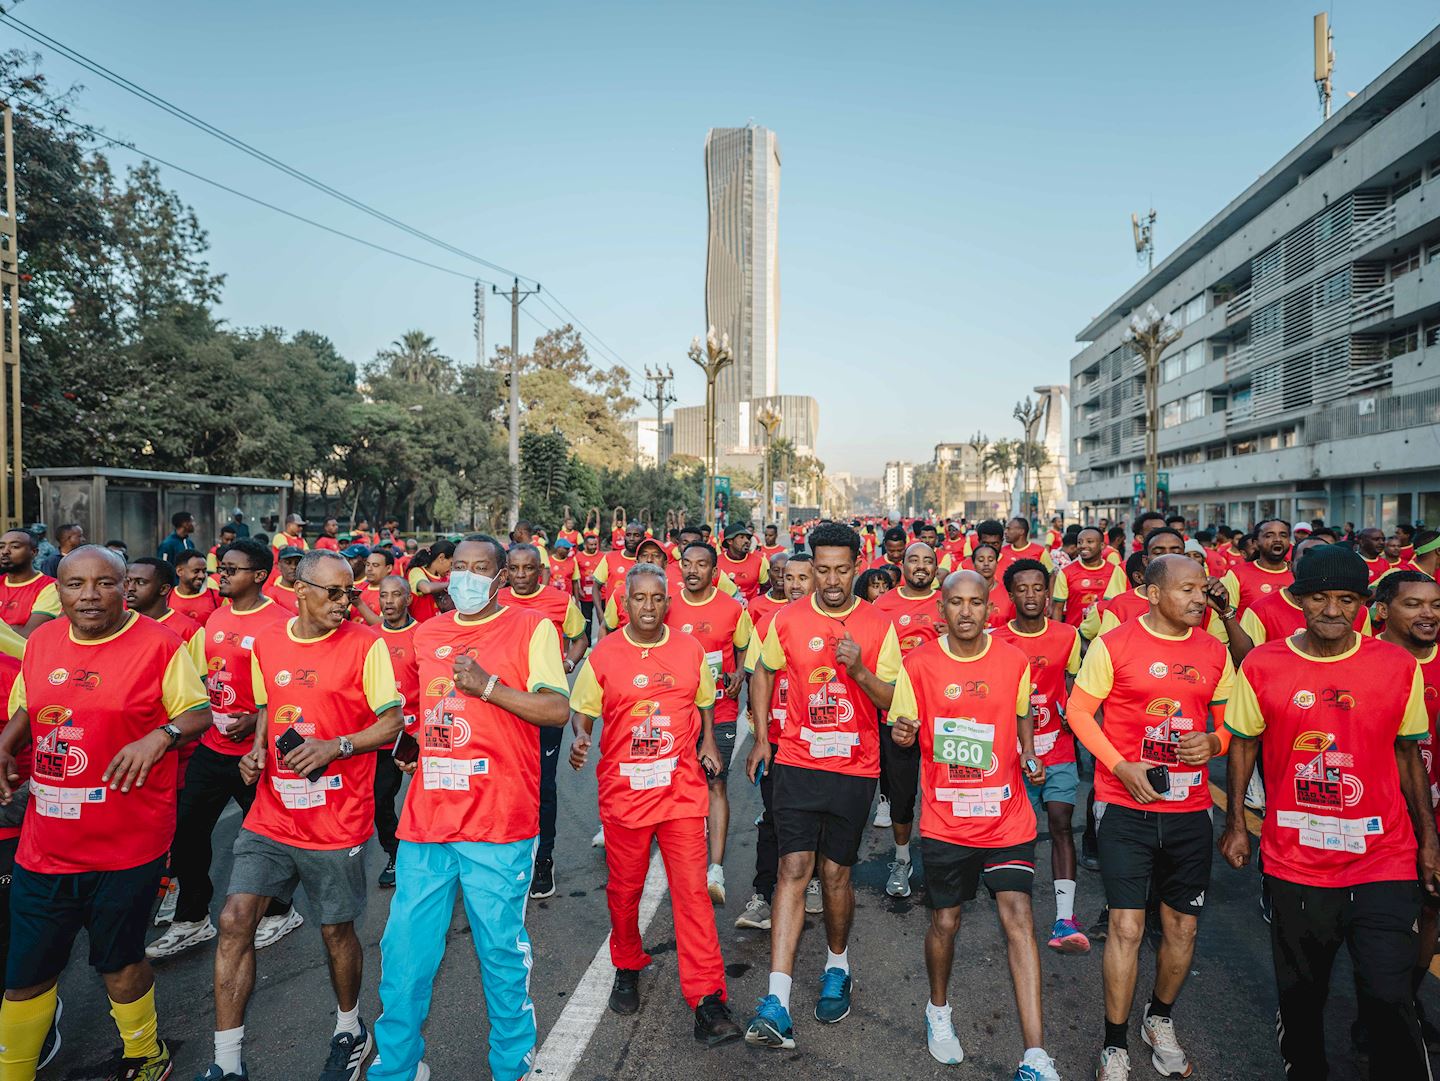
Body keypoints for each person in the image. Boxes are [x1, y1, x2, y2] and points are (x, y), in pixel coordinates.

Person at [1221, 546, 1439, 1079]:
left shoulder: (1395, 666)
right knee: (1304, 995)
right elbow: (1244, 743)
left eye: (1347, 599)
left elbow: (1408, 753)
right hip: (1296, 860)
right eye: (1320, 597)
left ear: (1366, 606)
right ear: (1298, 599)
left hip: (1383, 856)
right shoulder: (1263, 664)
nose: (1333, 610)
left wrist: (1429, 842)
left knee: (1389, 993)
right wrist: (1233, 826)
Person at [0, 546, 209, 1080]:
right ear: (59, 590)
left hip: (127, 843)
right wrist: (5, 743)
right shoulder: (42, 641)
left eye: (104, 583)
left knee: (118, 963)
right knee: (25, 974)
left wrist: (158, 737)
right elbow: (29, 702)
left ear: (126, 588)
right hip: (45, 845)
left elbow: (197, 711)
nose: (89, 595)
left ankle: (146, 1053)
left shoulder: (160, 644)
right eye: (75, 585)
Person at [369, 537, 570, 1081]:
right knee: (404, 955)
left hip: (498, 820)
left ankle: (511, 1065)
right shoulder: (427, 633)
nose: (467, 577)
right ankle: (397, 1067)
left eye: (481, 569)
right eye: (458, 568)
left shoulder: (532, 629)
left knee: (500, 952)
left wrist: (489, 687)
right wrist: (408, 747)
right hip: (428, 820)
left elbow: (555, 708)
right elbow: (415, 707)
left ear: (501, 577)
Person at [201, 549, 402, 1081]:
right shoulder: (268, 641)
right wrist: (256, 751)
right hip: (272, 812)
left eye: (351, 593)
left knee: (336, 932)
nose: (345, 603)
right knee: (234, 920)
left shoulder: (367, 644)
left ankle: (349, 1027)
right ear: (301, 590)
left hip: (337, 820)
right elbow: (269, 708)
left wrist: (334, 747)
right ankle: (225, 1061)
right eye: (334, 593)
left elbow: (392, 723)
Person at [1067, 555, 1234, 1080]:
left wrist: (1214, 741)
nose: (1198, 598)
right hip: (1124, 806)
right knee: (1126, 926)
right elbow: (1078, 712)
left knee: (1181, 927)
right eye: (1187, 589)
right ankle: (1113, 1044)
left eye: (1202, 589)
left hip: (1189, 812)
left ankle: (1157, 1018)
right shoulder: (1115, 644)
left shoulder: (1214, 651)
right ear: (1152, 593)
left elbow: (1230, 723)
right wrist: (1120, 766)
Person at [888, 571, 1060, 1079]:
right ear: (941, 609)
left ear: (991, 609)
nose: (966, 612)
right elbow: (903, 729)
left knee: (1019, 920)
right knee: (946, 922)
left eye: (976, 603)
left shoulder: (1012, 660)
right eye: (956, 603)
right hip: (946, 821)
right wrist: (902, 734)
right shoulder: (918, 665)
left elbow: (1022, 709)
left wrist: (1028, 752)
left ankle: (1035, 1055)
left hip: (1008, 818)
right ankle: (937, 1011)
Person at [568, 563, 742, 1046]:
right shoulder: (604, 653)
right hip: (625, 794)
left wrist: (708, 738)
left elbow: (704, 698)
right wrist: (581, 738)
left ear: (668, 602)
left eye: (656, 598)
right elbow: (582, 711)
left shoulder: (688, 648)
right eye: (638, 598)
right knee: (626, 890)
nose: (648, 606)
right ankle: (627, 961)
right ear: (625, 603)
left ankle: (708, 998)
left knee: (692, 894)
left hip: (681, 791)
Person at [744, 522, 901, 1049]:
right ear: (810, 567)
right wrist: (763, 736)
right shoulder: (786, 618)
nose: (831, 580)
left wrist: (858, 670)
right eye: (822, 569)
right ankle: (776, 999)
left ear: (858, 565)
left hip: (855, 770)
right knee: (793, 868)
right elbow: (763, 671)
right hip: (797, 761)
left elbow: (891, 701)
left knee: (835, 875)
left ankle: (838, 964)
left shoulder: (879, 625)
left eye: (841, 569)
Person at [148, 540, 302, 962]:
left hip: (256, 753)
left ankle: (283, 910)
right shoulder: (215, 618)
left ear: (258, 575)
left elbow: (290, 692)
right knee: (189, 831)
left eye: (232, 569)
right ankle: (194, 918)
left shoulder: (281, 623)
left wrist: (255, 722)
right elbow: (199, 679)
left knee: (270, 836)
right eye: (222, 569)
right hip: (212, 749)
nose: (222, 575)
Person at [993, 559, 1087, 955]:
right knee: (1022, 832)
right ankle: (1020, 913)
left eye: (1038, 588)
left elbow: (1073, 683)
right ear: (1011, 595)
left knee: (1061, 821)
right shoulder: (995, 640)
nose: (1031, 595)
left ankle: (1065, 916)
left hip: (1058, 747)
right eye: (1022, 589)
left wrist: (1073, 711)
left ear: (1048, 594)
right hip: (1014, 753)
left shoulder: (1068, 635)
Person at [496, 544, 587, 900]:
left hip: (545, 708)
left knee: (542, 786)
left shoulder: (559, 602)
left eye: (528, 569)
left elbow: (578, 639)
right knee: (502, 782)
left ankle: (543, 860)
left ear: (540, 571)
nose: (520, 576)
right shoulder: (495, 598)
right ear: (505, 571)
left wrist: (567, 664)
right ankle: (505, 854)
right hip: (503, 706)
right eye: (514, 569)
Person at [665, 542, 753, 905]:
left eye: (701, 565)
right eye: (687, 563)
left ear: (714, 572)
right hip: (675, 712)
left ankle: (715, 868)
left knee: (715, 782)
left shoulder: (732, 609)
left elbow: (747, 646)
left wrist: (738, 672)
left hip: (720, 711)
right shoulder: (667, 605)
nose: (692, 570)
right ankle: (683, 860)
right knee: (677, 787)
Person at [1374, 569, 1440, 1045]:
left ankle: (1408, 1001)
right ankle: (1379, 1009)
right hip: (1379, 816)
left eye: (1435, 604)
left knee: (1433, 910)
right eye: (1414, 604)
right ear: (1382, 611)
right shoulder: (1363, 659)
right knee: (1384, 922)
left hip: (1435, 813)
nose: (1429, 614)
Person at [736, 553, 816, 932]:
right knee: (773, 817)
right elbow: (756, 679)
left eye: (804, 576)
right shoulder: (768, 622)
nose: (795, 583)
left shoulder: (835, 623)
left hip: (821, 744)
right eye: (789, 577)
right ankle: (762, 896)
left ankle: (813, 881)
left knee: (817, 819)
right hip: (778, 742)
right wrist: (761, 735)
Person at [872, 542, 944, 895]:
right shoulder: (883, 605)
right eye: (914, 559)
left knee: (942, 791)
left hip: (943, 716)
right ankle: (901, 860)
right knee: (902, 795)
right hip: (897, 715)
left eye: (927, 560)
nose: (920, 566)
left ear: (936, 567)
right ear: (901, 564)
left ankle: (942, 861)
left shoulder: (948, 602)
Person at [372, 575, 420, 891]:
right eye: (384, 596)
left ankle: (431, 858)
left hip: (417, 734)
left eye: (395, 595)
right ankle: (395, 853)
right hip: (382, 735)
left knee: (429, 800)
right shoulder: (369, 638)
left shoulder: (423, 635)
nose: (388, 601)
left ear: (408, 599)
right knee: (379, 801)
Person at [1051, 526, 1126, 626]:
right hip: (1076, 634)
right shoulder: (1066, 572)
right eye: (1080, 542)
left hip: (1105, 636)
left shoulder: (1115, 572)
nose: (1083, 545)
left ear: (1102, 545)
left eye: (1089, 542)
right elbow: (1058, 608)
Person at [1220, 518, 1292, 614]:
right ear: (1256, 543)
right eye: (1269, 536)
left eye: (1283, 535)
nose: (1277, 539)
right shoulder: (1237, 574)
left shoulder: (1298, 574)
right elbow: (1226, 616)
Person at [594, 521, 645, 608]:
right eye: (628, 535)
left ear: (643, 538)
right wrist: (600, 615)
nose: (631, 538)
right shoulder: (609, 557)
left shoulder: (648, 561)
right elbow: (595, 588)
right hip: (613, 618)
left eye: (636, 535)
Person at [171, 549, 222, 625]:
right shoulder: (166, 598)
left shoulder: (218, 597)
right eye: (196, 571)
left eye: (204, 571)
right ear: (179, 571)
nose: (201, 576)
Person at [718, 523, 768, 601]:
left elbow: (766, 589)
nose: (747, 541)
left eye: (748, 538)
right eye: (742, 537)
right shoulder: (716, 562)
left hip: (750, 611)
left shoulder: (759, 561)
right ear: (730, 541)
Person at [574, 532, 605, 632]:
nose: (594, 547)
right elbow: (575, 576)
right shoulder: (578, 557)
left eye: (595, 544)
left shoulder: (602, 556)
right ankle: (587, 645)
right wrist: (578, 589)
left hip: (601, 594)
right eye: (591, 545)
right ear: (585, 545)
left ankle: (605, 640)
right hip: (586, 595)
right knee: (587, 620)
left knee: (604, 618)